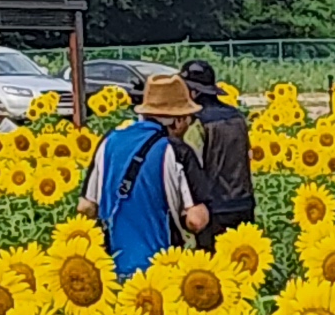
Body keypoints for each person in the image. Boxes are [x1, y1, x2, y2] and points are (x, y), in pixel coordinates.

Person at [85, 70, 201, 277]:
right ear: (177, 120)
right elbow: (195, 220)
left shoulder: (109, 141)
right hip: (161, 268)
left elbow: (86, 207)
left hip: (111, 269)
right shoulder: (175, 150)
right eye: (188, 119)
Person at [177, 58, 258, 247]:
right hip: (243, 203)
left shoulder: (197, 122)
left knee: (212, 262)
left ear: (193, 92)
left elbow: (192, 167)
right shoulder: (237, 116)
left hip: (213, 209)